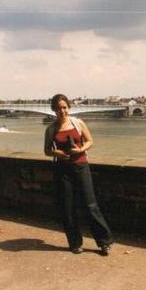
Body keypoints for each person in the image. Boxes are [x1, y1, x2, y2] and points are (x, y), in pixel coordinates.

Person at [43, 94, 113, 255]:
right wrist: (57, 153)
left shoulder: (78, 123)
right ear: (54, 110)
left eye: (64, 107)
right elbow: (46, 150)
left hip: (81, 166)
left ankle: (104, 242)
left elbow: (90, 141)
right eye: (58, 108)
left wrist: (80, 149)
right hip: (62, 169)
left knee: (90, 205)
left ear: (68, 107)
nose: (62, 111)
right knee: (67, 207)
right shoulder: (51, 129)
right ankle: (75, 243)